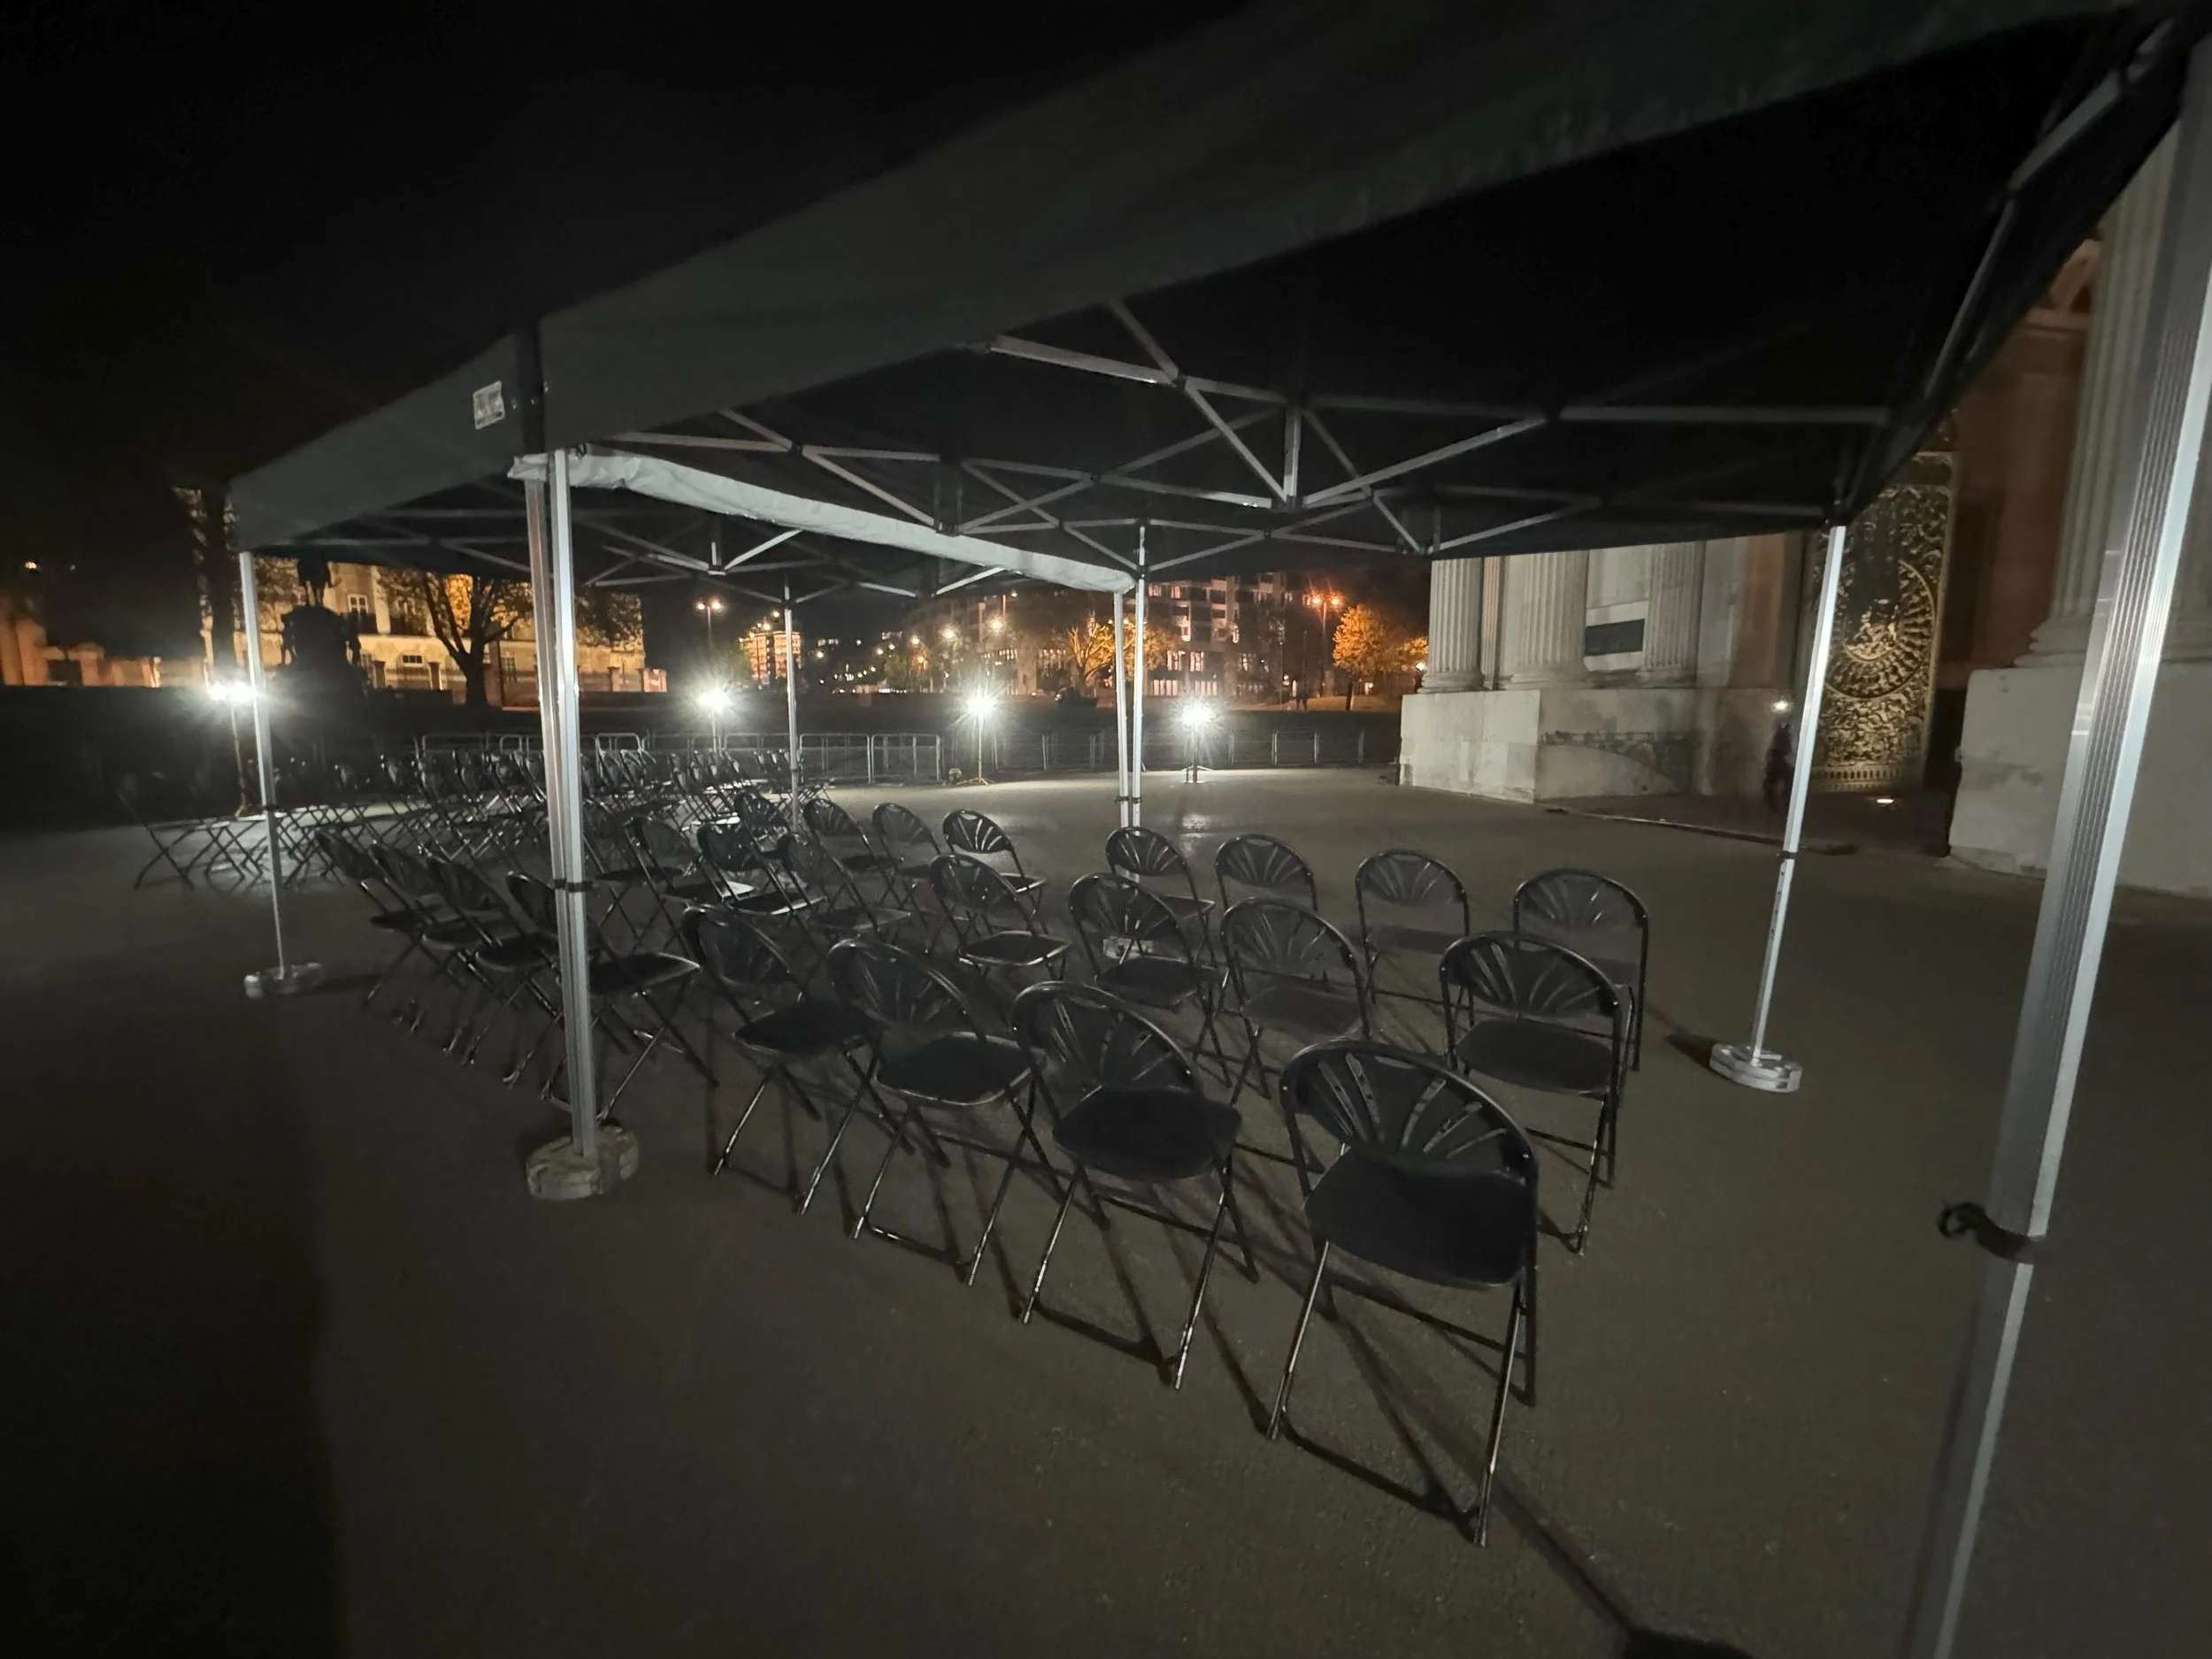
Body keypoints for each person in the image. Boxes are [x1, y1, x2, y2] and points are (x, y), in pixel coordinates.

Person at [1763, 713, 1795, 814]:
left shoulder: (1781, 734)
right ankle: (1783, 805)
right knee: (1784, 783)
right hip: (1781, 760)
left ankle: (1777, 805)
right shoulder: (1785, 733)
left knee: (1772, 784)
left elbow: (1779, 747)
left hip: (1779, 760)